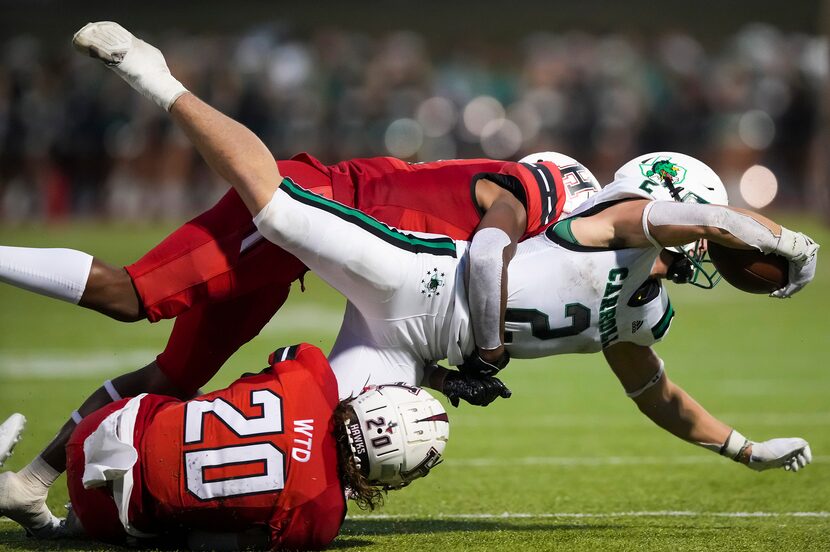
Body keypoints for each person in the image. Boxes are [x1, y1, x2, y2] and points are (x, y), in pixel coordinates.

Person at [0, 21, 818, 535]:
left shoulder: (641, 311)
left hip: (413, 349)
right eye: (700, 229)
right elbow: (669, 226)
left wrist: (742, 449)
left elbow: (659, 397)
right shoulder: (597, 211)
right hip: (406, 271)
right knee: (235, 238)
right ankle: (159, 77)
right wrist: (778, 238)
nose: (704, 259)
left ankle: (70, 492)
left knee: (314, 440)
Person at [7, 343, 449, 550]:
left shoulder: (310, 372)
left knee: (176, 395)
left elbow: (282, 356)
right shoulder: (321, 516)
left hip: (105, 427)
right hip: (112, 521)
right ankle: (69, 525)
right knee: (180, 525)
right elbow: (208, 544)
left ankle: (37, 478)